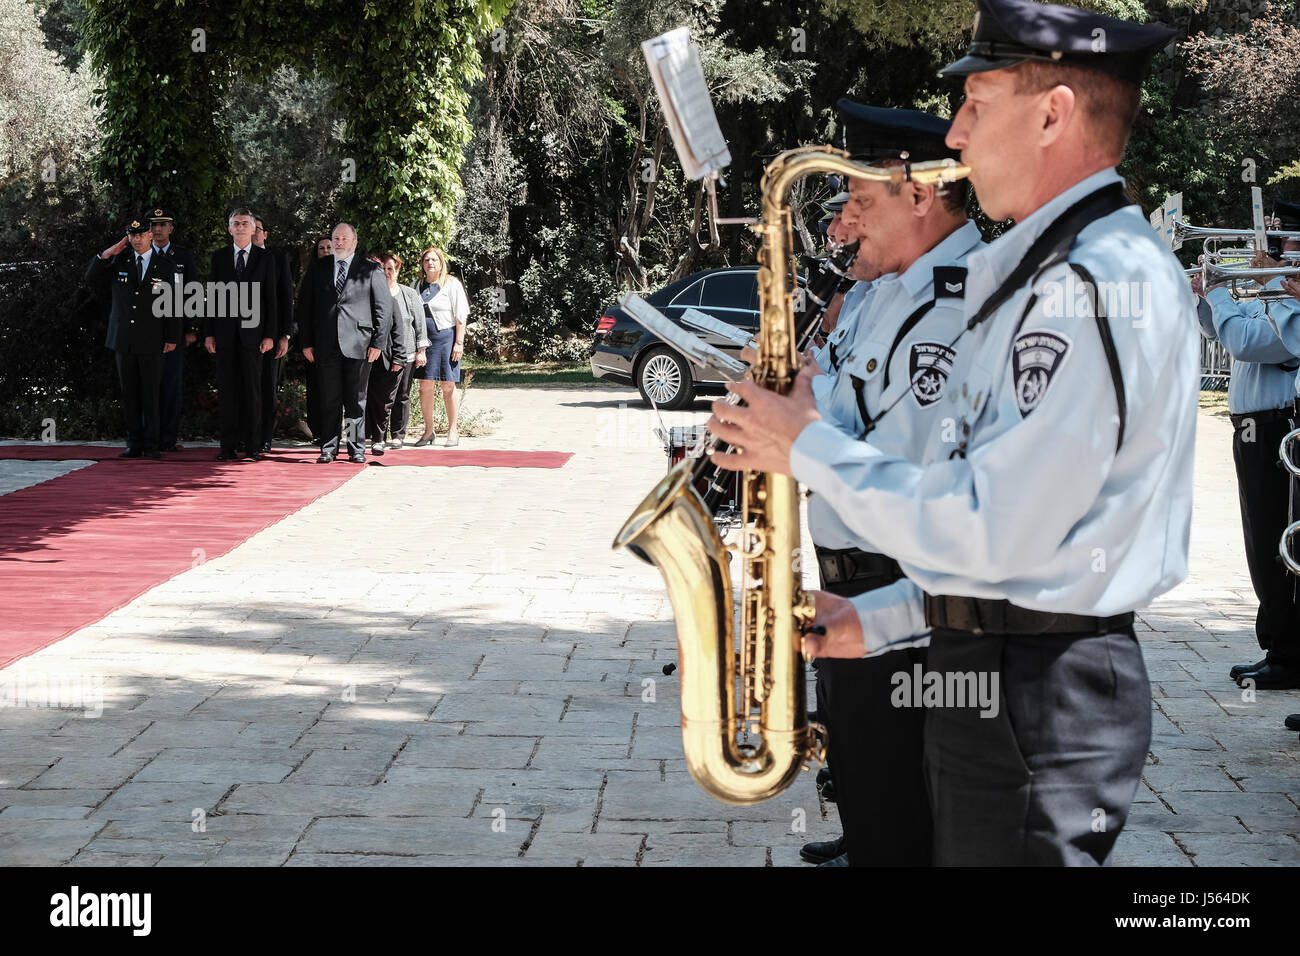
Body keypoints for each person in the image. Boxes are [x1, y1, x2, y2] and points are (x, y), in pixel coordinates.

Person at [708, 0, 1194, 866]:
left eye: (976, 105)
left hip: (1038, 693)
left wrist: (805, 443)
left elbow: (994, 526)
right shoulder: (1051, 273)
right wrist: (883, 620)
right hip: (1007, 667)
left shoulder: (1089, 282)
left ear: (1054, 113)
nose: (957, 137)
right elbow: (1011, 539)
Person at [796, 102, 985, 869]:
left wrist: (796, 419)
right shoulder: (895, 290)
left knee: (902, 828)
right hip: (861, 587)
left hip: (898, 596)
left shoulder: (954, 303)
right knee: (877, 807)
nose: (844, 224)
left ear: (920, 196)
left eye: (860, 201)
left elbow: (896, 457)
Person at [84, 215, 180, 459]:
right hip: (123, 338)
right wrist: (106, 254)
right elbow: (90, 279)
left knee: (151, 393)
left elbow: (173, 304)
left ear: (151, 235)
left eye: (141, 235)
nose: (136, 239)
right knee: (130, 394)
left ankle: (152, 444)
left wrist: (172, 336)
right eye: (132, 235)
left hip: (152, 338)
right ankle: (133, 442)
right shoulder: (119, 262)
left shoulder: (167, 266)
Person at [298, 222, 392, 463]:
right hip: (325, 344)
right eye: (336, 238)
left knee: (355, 401)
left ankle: (355, 448)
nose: (339, 242)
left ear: (354, 242)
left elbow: (383, 309)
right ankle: (328, 448)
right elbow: (305, 306)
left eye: (344, 238)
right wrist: (306, 342)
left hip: (359, 344)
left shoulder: (370, 269)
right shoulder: (318, 268)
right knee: (329, 399)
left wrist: (378, 343)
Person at [205, 208, 279, 461]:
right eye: (235, 224)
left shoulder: (265, 258)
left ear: (253, 229)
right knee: (227, 392)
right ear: (229, 229)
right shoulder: (220, 257)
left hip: (254, 336)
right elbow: (211, 298)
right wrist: (209, 333)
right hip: (225, 335)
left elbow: (271, 299)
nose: (240, 227)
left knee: (252, 391)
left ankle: (253, 445)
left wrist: (270, 334)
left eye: (245, 223)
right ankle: (227, 446)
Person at [148, 207, 200, 452]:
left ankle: (167, 438)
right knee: (146, 386)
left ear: (171, 228)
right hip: (145, 332)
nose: (157, 229)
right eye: (153, 225)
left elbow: (193, 292)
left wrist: (191, 327)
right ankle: (148, 438)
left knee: (170, 385)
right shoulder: (140, 255)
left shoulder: (182, 256)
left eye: (162, 225)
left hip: (176, 331)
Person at [367, 251, 428, 453]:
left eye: (390, 269)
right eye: (382, 268)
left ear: (397, 269)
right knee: (379, 396)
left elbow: (419, 324)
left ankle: (398, 435)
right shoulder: (372, 293)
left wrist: (421, 350)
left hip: (406, 352)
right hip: (379, 355)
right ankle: (378, 436)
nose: (386, 272)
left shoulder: (408, 294)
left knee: (402, 395)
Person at [411, 247, 469, 447]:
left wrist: (458, 343)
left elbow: (461, 315)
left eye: (434, 259)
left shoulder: (451, 284)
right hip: (423, 343)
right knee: (424, 385)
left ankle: (453, 430)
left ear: (441, 262)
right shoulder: (416, 285)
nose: (430, 263)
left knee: (448, 385)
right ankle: (428, 431)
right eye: (427, 259)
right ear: (423, 264)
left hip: (446, 339)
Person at [253, 216, 297, 453]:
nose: (253, 233)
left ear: (265, 234)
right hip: (242, 335)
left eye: (257, 229)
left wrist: (285, 335)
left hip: (270, 335)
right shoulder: (237, 257)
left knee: (266, 386)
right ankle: (245, 434)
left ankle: (265, 437)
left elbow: (285, 299)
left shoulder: (277, 259)